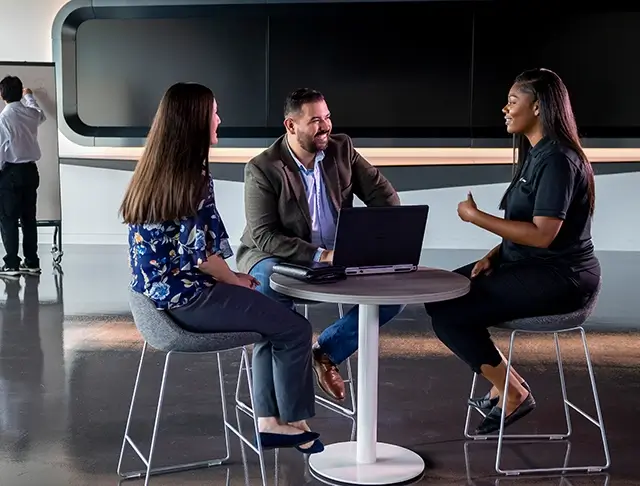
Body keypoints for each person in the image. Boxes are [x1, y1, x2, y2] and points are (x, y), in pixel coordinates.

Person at [120, 82, 322, 453]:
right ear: (196, 121)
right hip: (189, 301)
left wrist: (231, 279)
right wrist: (236, 280)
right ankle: (287, 424)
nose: (219, 119)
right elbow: (203, 257)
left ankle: (272, 421)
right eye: (213, 112)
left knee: (272, 322)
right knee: (295, 328)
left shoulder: (152, 169)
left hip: (156, 300)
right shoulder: (191, 176)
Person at [424, 68, 601, 435]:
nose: (505, 109)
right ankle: (506, 384)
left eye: (513, 101)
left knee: (450, 311)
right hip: (528, 263)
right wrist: (496, 253)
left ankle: (511, 391)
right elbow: (527, 229)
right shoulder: (537, 154)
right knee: (441, 293)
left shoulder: (558, 160)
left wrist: (475, 217)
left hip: (561, 278)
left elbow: (542, 236)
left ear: (537, 107)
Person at [235, 88, 404, 401]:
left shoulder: (342, 149)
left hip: (336, 254)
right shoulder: (263, 168)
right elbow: (265, 236)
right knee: (271, 283)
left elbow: (386, 198)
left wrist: (373, 240)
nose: (326, 126)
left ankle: (326, 352)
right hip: (274, 255)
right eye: (315, 120)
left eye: (327, 117)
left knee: (393, 293)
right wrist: (322, 254)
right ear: (291, 126)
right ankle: (280, 402)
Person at [0, 76, 46, 277]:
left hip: (10, 172)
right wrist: (29, 97)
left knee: (8, 218)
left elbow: (1, 150)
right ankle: (32, 261)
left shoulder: (4, 117)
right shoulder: (31, 114)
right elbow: (40, 114)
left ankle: (11, 264)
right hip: (30, 171)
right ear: (20, 92)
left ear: (2, 95)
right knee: (29, 219)